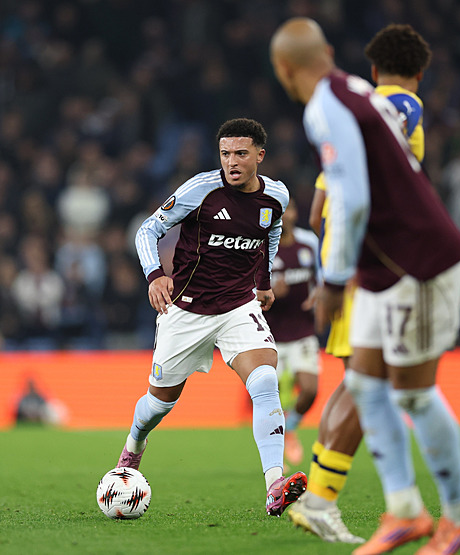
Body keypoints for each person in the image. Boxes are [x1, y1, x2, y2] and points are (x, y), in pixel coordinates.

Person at [271, 18, 460, 555]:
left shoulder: (325, 107)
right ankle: (406, 512)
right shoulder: (359, 91)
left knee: (412, 391)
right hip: (384, 266)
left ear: (283, 70)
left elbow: (354, 197)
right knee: (366, 384)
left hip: (416, 262)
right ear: (327, 51)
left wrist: (335, 281)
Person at [115, 118, 307, 517]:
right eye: (225, 154)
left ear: (259, 155)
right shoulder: (201, 190)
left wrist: (264, 281)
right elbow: (146, 230)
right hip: (186, 310)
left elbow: (269, 234)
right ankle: (133, 446)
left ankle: (275, 483)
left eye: (240, 153)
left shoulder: (276, 196)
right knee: (159, 404)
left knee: (266, 380)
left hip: (238, 306)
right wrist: (154, 276)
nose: (231, 162)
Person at [287, 23, 432, 544]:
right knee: (370, 382)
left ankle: (319, 496)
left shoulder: (348, 109)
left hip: (347, 258)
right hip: (372, 262)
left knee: (360, 378)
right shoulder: (399, 107)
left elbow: (324, 199)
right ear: (419, 73)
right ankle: (322, 498)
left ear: (372, 68)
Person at [262, 197, 320, 468]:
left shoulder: (309, 243)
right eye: (280, 213)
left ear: (296, 213)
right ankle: (275, 457)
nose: (285, 216)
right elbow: (249, 290)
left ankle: (291, 428)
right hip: (270, 333)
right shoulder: (263, 248)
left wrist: (319, 296)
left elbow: (322, 278)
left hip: (303, 329)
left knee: (309, 389)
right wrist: (271, 294)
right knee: (268, 397)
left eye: (290, 210)